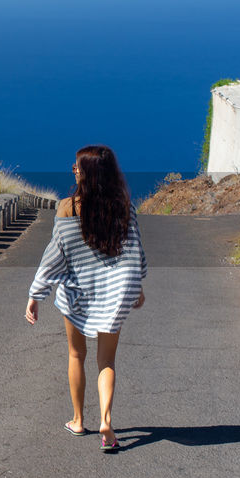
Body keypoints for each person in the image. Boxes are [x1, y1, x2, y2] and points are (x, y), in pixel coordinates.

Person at [24, 145, 147, 453]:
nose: (74, 170)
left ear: (87, 173)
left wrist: (36, 294)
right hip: (112, 296)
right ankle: (107, 421)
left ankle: (78, 420)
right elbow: (136, 251)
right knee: (106, 361)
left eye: (78, 167)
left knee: (76, 355)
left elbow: (54, 255)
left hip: (76, 296)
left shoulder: (67, 208)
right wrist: (138, 286)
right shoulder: (125, 207)